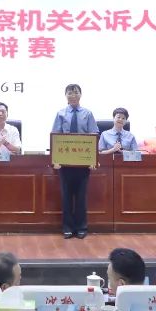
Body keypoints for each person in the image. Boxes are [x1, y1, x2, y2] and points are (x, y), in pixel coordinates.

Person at [52, 84, 98, 240]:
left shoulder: (88, 114)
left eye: (76, 92)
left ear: (80, 95)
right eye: (70, 93)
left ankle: (81, 227)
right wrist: (55, 160)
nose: (73, 95)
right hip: (64, 163)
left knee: (81, 197)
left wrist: (93, 160)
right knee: (66, 197)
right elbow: (56, 136)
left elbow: (93, 136)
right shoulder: (60, 114)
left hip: (83, 163)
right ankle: (67, 227)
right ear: (65, 95)